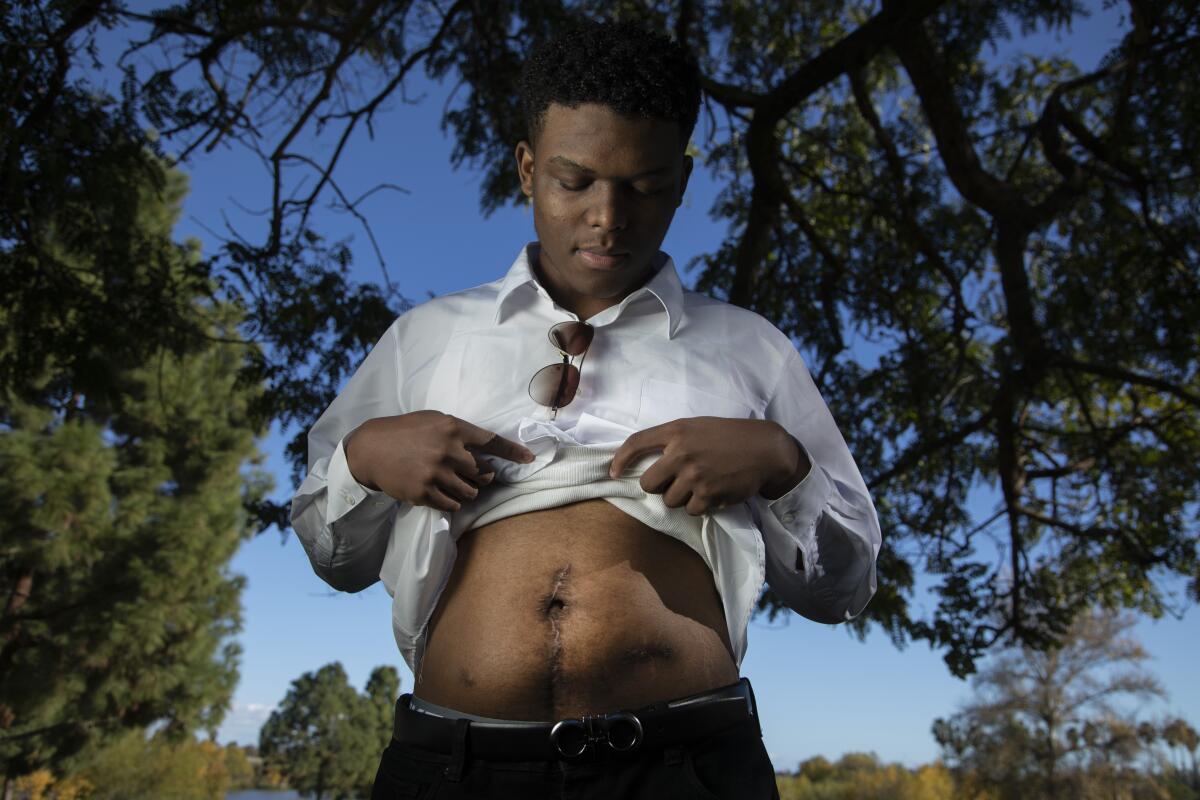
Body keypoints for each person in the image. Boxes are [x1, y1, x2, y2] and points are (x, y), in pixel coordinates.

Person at [291, 19, 881, 800]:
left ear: (681, 180)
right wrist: (363, 458)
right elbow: (337, 562)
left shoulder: (750, 348)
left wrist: (782, 465)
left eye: (644, 185)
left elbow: (840, 593)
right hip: (454, 769)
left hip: (687, 768)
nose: (608, 216)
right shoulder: (423, 340)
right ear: (528, 169)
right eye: (575, 181)